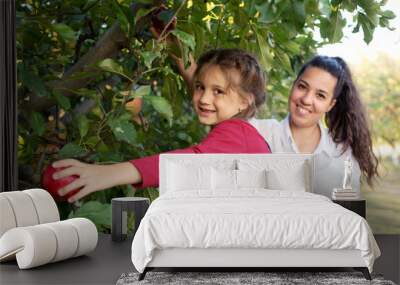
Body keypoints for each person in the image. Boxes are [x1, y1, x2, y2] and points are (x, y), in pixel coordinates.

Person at [53, 48, 271, 203]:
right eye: (199, 87)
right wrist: (173, 44)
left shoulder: (235, 132)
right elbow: (198, 77)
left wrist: (106, 174)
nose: (204, 99)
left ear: (245, 101)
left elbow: (190, 161)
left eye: (218, 91)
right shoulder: (241, 135)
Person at [171, 54, 379, 198]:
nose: (306, 99)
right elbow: (214, 100)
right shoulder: (256, 131)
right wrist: (177, 47)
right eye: (302, 87)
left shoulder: (342, 156)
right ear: (294, 85)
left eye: (320, 95)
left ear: (331, 104)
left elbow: (348, 214)